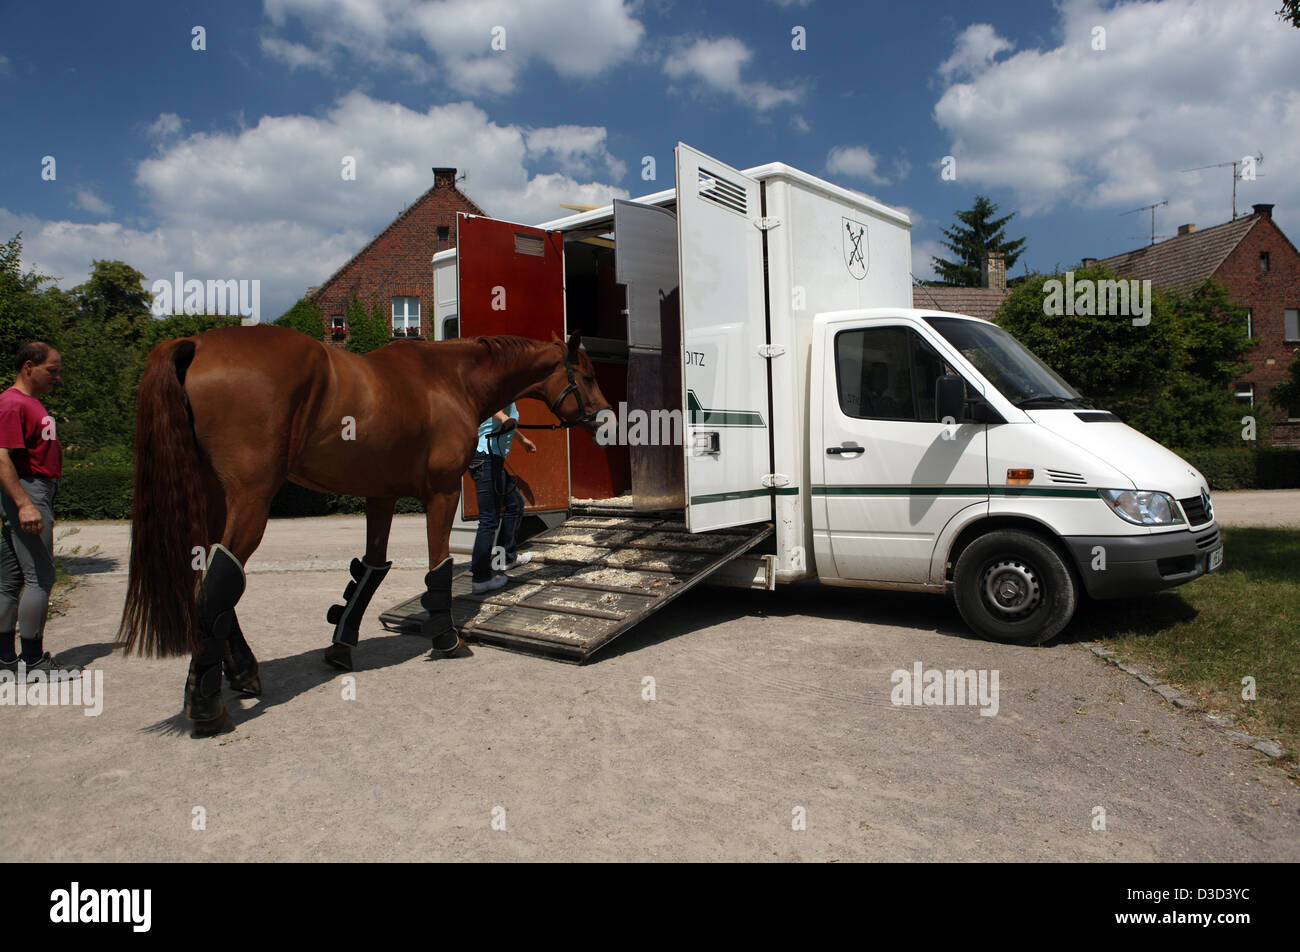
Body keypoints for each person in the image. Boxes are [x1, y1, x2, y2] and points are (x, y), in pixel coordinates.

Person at [0, 342, 80, 680]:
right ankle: (33, 662)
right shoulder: (11, 404)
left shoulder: (28, 403)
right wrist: (24, 503)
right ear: (28, 367)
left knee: (9, 579)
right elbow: (1, 458)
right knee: (40, 577)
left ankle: (5, 661)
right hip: (29, 490)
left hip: (32, 491)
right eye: (52, 369)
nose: (57, 377)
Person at [468, 403, 537, 594]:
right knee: (489, 519)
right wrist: (504, 418)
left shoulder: (511, 394)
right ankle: (480, 578)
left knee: (515, 504)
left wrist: (522, 439)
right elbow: (492, 409)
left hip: (494, 458)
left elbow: (508, 423)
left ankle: (505, 558)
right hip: (484, 456)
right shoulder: (502, 390)